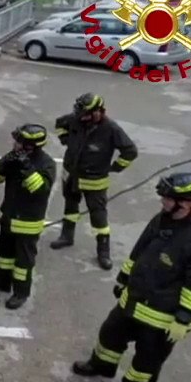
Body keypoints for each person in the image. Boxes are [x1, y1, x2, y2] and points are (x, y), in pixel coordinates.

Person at [71, 172, 191, 382]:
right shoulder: (162, 219)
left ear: (187, 203)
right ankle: (101, 366)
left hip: (160, 316)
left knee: (148, 358)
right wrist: (123, 278)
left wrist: (184, 318)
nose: (163, 202)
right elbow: (140, 251)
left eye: (168, 199)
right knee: (110, 334)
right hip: (133, 299)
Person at [50, 93, 138, 270]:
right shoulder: (76, 119)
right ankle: (67, 237)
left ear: (98, 112)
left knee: (98, 217)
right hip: (71, 175)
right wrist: (65, 140)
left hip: (94, 181)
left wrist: (115, 167)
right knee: (70, 207)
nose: (81, 117)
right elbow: (60, 124)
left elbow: (130, 151)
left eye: (86, 114)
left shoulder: (111, 129)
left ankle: (103, 253)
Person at [0, 124, 57, 309]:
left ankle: (21, 292)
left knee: (23, 261)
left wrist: (27, 168)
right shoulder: (14, 156)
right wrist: (6, 163)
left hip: (28, 222)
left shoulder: (47, 164)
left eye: (19, 141)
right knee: (4, 253)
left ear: (30, 145)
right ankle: (2, 281)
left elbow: (40, 190)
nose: (15, 143)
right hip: (9, 216)